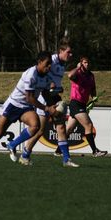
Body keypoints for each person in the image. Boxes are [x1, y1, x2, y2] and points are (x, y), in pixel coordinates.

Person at [0, 51, 57, 165]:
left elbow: (45, 93)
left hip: (26, 107)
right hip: (14, 104)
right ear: (39, 62)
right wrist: (47, 109)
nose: (49, 66)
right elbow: (30, 98)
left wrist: (53, 107)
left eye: (50, 63)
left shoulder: (46, 77)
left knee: (35, 125)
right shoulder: (31, 74)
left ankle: (12, 144)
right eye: (47, 63)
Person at [20, 38, 80, 168]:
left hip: (55, 98)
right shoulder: (51, 61)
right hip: (45, 98)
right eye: (68, 52)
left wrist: (58, 89)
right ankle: (24, 154)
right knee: (40, 130)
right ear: (61, 51)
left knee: (61, 128)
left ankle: (66, 160)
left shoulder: (62, 64)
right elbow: (43, 76)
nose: (70, 55)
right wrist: (51, 89)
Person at [53, 56, 108, 157]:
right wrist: (77, 67)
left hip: (82, 104)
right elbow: (69, 75)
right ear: (81, 63)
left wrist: (94, 97)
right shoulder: (77, 73)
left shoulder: (91, 75)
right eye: (85, 63)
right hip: (75, 103)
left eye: (88, 63)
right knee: (89, 126)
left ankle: (58, 151)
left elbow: (93, 88)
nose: (87, 64)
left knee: (69, 130)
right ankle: (95, 151)